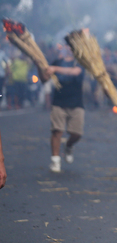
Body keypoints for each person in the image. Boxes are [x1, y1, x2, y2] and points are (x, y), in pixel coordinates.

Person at [40, 45, 85, 173]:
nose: (69, 49)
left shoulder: (80, 62)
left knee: (76, 134)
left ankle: (69, 145)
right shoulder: (57, 62)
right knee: (57, 131)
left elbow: (75, 72)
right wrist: (40, 66)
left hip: (76, 103)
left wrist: (54, 69)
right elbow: (44, 79)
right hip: (58, 102)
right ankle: (55, 161)